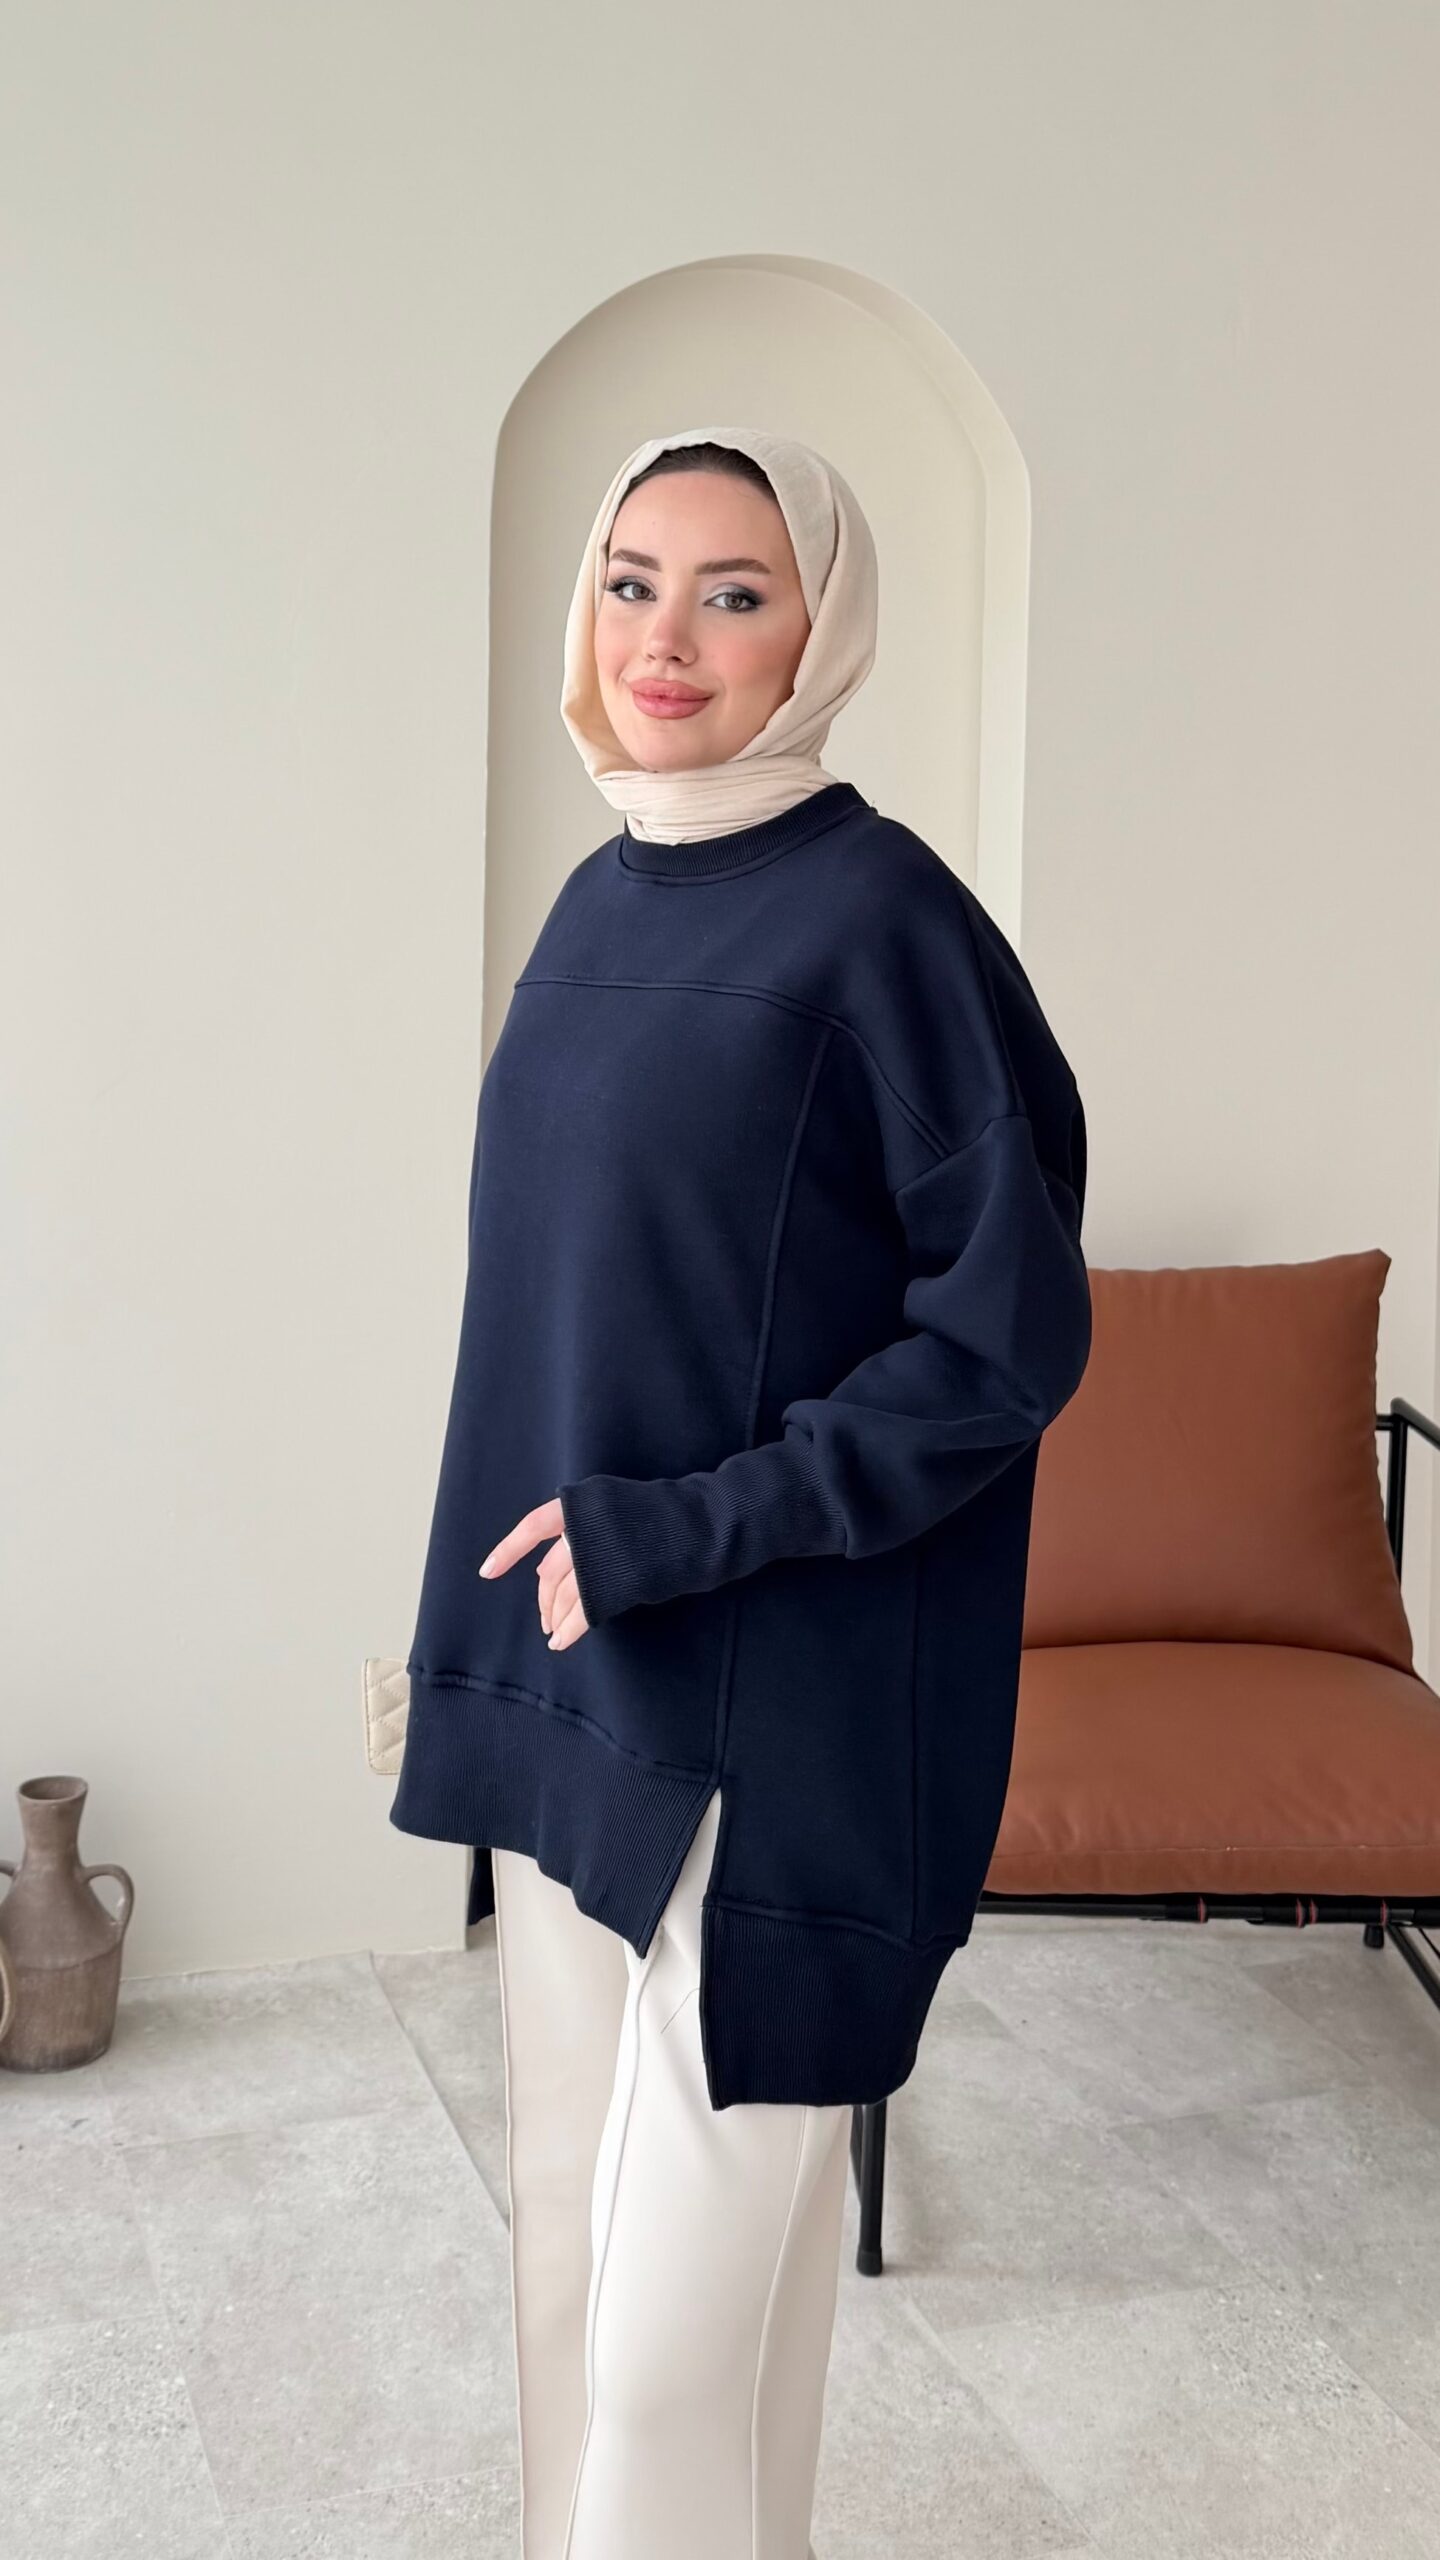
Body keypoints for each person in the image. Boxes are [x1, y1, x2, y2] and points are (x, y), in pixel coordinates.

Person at [390, 426, 1093, 2558]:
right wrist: (470, 1633)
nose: (667, 639)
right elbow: (550, 1317)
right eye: (632, 581)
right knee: (582, 2283)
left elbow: (1007, 1342)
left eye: (734, 591)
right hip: (577, 1677)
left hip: (780, 1713)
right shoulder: (599, 896)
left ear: (821, 631)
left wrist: (685, 1529)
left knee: (662, 2359)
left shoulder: (889, 925)